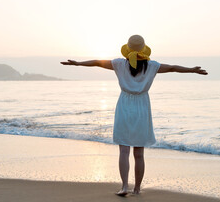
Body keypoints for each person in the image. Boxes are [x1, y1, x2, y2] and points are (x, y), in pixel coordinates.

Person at [60, 35, 208, 196]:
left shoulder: (119, 64)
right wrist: (192, 70)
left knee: (124, 150)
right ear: (143, 50)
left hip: (124, 104)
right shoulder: (152, 66)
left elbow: (97, 62)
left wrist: (78, 63)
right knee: (139, 153)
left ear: (128, 49)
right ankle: (137, 188)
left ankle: (124, 187)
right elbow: (172, 67)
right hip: (142, 106)